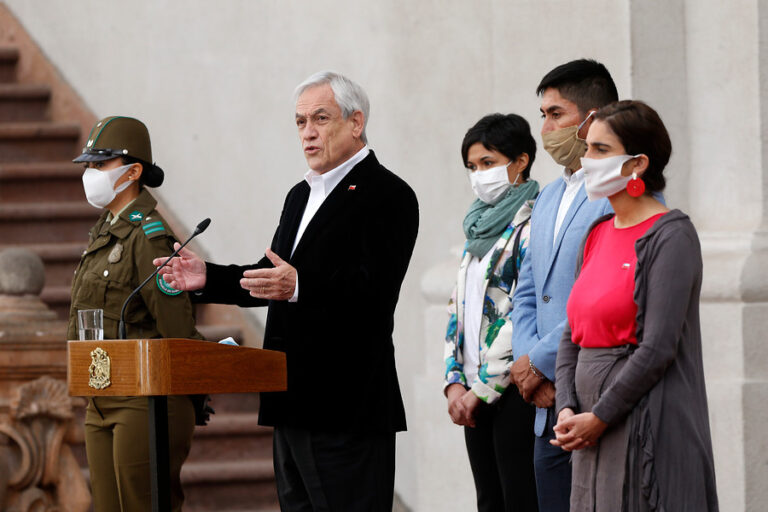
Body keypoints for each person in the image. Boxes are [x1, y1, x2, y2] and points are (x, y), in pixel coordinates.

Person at [154, 71, 419, 511]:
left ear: (356, 123)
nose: (308, 133)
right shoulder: (301, 193)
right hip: (290, 396)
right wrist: (208, 278)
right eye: (300, 122)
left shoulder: (388, 194)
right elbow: (271, 275)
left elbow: (374, 292)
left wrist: (301, 286)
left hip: (345, 406)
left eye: (320, 118)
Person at [550, 100, 719, 511]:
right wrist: (568, 403)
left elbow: (659, 346)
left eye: (600, 151)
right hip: (588, 427)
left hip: (642, 421)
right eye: (587, 148)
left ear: (637, 164)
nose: (586, 161)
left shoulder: (671, 236)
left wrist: (600, 416)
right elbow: (573, 331)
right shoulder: (597, 232)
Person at [67, 116, 203, 511]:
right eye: (88, 166)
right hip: (100, 392)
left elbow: (177, 328)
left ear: (133, 172)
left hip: (143, 399)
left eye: (100, 165)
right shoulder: (105, 231)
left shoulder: (150, 236)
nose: (90, 174)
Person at [508, 59, 618, 511]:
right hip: (544, 404)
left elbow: (603, 291)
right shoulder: (548, 195)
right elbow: (529, 290)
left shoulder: (619, 191)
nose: (546, 127)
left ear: (591, 119)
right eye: (543, 115)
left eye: (556, 114)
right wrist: (524, 362)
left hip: (594, 391)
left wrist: (542, 361)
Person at [443, 113, 539, 511]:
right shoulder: (478, 230)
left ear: (520, 161)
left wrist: (482, 389)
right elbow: (459, 309)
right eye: (472, 166)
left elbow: (520, 312)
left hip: (510, 390)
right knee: (489, 500)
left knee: (518, 497)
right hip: (470, 392)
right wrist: (453, 380)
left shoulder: (532, 224)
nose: (479, 175)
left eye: (488, 163)